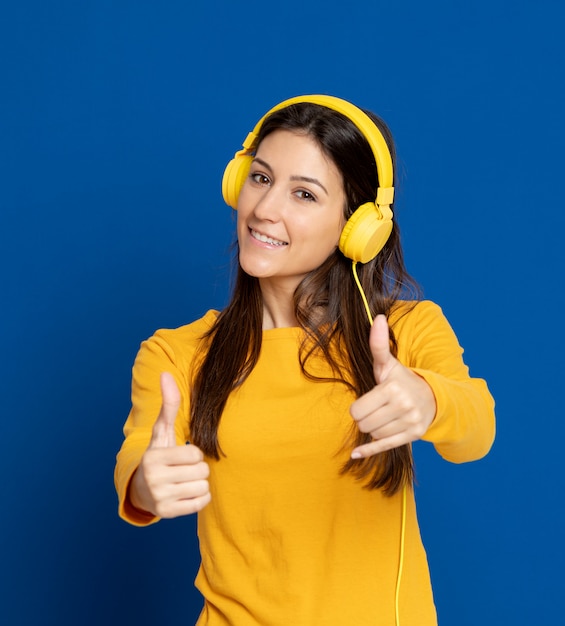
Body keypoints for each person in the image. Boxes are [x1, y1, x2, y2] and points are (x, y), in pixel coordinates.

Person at [114, 95, 495, 626]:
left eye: (304, 194)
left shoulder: (405, 330)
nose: (265, 209)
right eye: (261, 179)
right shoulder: (177, 354)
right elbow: (139, 456)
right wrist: (145, 483)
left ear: (357, 226)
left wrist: (428, 400)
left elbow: (476, 427)